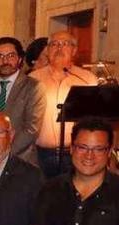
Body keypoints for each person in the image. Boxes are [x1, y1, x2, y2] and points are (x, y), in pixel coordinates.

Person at [30, 31, 98, 178]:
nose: (59, 48)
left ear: (74, 50)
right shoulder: (33, 79)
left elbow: (96, 118)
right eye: (54, 44)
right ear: (47, 51)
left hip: (76, 153)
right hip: (40, 154)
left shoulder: (87, 79)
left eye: (65, 44)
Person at [0, 37, 46, 166]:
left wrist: (1, 154)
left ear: (19, 59)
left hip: (20, 161)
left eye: (10, 55)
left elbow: (31, 129)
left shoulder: (33, 87)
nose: (5, 61)